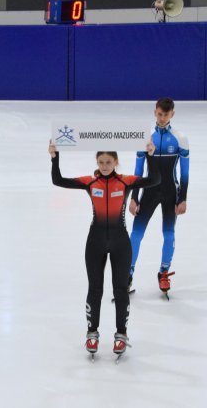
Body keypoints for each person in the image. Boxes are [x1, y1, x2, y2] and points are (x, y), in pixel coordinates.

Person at [49, 140, 159, 356]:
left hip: (120, 242)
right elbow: (58, 180)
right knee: (95, 289)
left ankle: (121, 334)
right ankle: (92, 333)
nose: (105, 165)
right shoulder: (90, 182)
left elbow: (155, 179)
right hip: (95, 242)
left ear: (116, 162)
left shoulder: (126, 181)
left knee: (120, 290)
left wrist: (150, 156)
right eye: (101, 161)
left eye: (109, 161)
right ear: (97, 162)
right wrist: (55, 157)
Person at [129, 97, 189, 295]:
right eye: (159, 114)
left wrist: (183, 198)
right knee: (136, 235)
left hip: (171, 192)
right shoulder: (145, 137)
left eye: (166, 114)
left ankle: (163, 273)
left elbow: (185, 173)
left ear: (172, 114)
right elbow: (138, 172)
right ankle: (127, 275)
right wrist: (134, 197)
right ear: (155, 112)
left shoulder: (180, 138)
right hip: (149, 192)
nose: (162, 118)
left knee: (169, 234)